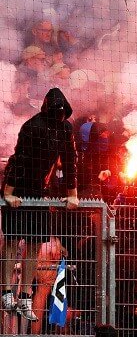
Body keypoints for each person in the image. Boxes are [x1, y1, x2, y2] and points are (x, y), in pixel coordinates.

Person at [1, 88, 79, 321]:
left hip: (40, 191)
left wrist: (72, 194)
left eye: (62, 112)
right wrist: (8, 192)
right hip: (20, 186)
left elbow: (70, 162)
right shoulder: (32, 126)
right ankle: (6, 292)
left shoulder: (66, 129)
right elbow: (19, 159)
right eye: (56, 111)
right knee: (13, 241)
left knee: (35, 243)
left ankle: (25, 295)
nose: (59, 115)